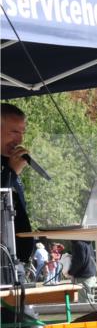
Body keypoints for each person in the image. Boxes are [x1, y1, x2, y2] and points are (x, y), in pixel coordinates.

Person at [1, 103, 37, 266]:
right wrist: (11, 172)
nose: (20, 140)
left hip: (16, 262)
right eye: (14, 132)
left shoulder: (9, 163)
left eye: (22, 133)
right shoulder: (11, 168)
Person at [68, 240, 97, 305]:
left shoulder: (78, 244)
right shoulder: (88, 243)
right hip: (91, 274)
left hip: (83, 276)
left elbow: (79, 261)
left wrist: (71, 272)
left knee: (84, 302)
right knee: (90, 300)